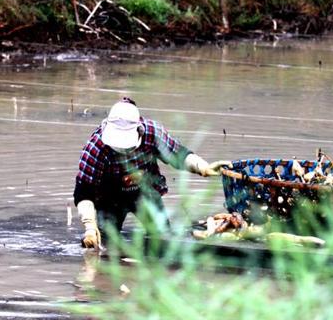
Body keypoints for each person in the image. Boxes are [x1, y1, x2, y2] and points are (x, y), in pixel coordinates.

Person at [74, 98, 230, 249]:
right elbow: (83, 192)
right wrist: (89, 226)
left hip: (145, 192)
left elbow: (177, 154)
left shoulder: (152, 133)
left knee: (163, 240)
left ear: (139, 130)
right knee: (103, 244)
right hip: (108, 199)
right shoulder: (96, 148)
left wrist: (203, 167)